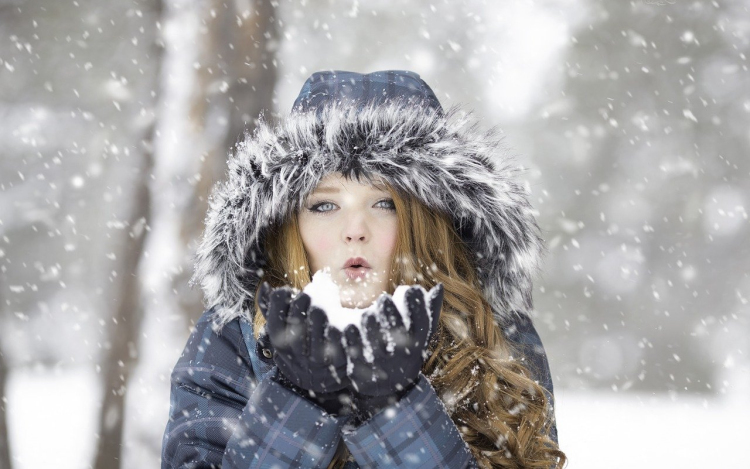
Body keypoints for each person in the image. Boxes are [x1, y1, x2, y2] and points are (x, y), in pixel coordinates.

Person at [161, 70, 567, 468]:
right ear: (288, 224)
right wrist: (297, 401)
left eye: (385, 203)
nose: (355, 231)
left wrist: (397, 409)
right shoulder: (233, 338)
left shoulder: (495, 336)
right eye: (325, 205)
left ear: (427, 223)